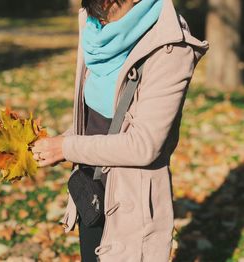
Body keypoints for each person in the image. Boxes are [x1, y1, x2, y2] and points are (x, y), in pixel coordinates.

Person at [31, 0, 209, 261]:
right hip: (91, 187)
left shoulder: (170, 47)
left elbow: (143, 145)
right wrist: (61, 141)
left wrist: (66, 148)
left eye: (105, 8)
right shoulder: (93, 29)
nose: (99, 19)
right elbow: (97, 121)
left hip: (131, 198)